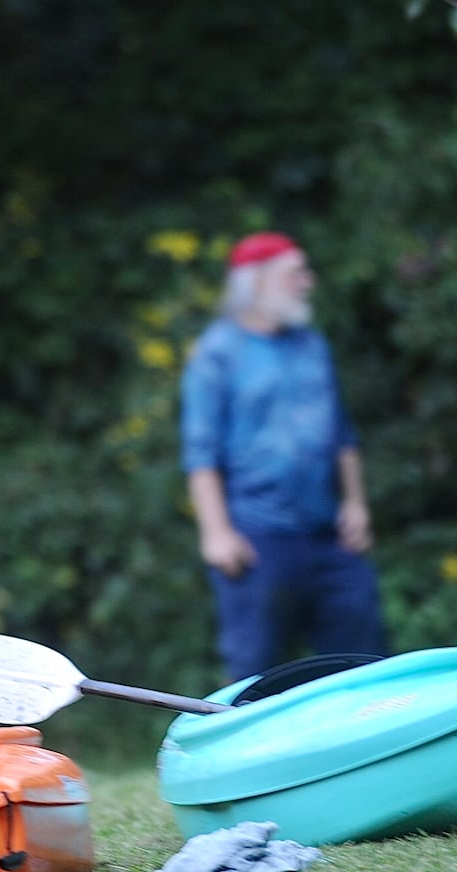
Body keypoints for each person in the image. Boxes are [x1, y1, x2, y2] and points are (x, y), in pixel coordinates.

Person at [180, 232, 387, 683]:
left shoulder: (311, 345)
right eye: (296, 272)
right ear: (254, 283)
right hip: (257, 536)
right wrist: (215, 533)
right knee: (257, 672)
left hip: (329, 534)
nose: (308, 282)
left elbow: (341, 433)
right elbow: (201, 453)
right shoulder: (217, 354)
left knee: (364, 663)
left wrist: (355, 504)